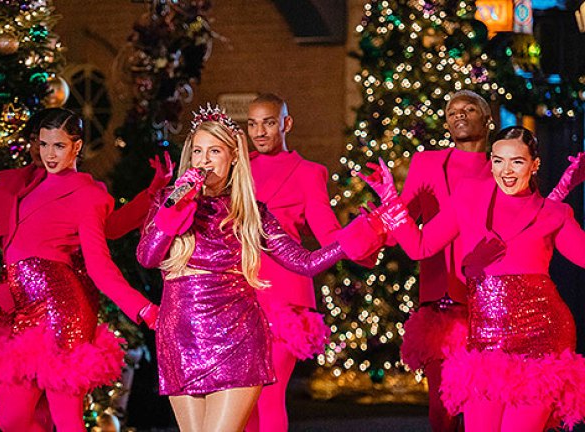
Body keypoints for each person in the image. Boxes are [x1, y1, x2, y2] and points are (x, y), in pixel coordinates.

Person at [0, 108, 159, 432]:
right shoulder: (10, 187)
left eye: (58, 145)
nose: (49, 154)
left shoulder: (87, 195)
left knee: (66, 418)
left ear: (77, 147)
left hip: (64, 310)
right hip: (23, 309)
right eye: (43, 144)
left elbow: (100, 262)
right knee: (12, 418)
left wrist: (143, 308)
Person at [136, 104, 382, 432]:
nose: (203, 160)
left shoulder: (250, 211)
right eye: (197, 151)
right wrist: (174, 209)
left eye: (214, 151)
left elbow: (304, 262)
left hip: (235, 336)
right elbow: (147, 257)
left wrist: (352, 239)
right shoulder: (169, 201)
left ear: (233, 157)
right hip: (180, 337)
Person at [360, 126, 585, 432]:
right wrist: (391, 200)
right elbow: (420, 247)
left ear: (535, 165)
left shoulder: (555, 213)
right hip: (485, 344)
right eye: (498, 160)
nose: (506, 170)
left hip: (541, 341)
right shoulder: (468, 197)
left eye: (517, 161)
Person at [244, 93, 344, 432]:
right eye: (252, 124)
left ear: (286, 124)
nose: (259, 132)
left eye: (268, 123)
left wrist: (361, 237)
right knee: (243, 398)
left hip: (285, 293)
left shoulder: (308, 173)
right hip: (241, 292)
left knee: (269, 394)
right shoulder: (238, 168)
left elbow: (327, 230)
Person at [396, 90, 493, 432]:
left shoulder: (503, 166)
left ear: (488, 120)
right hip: (441, 301)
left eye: (469, 109)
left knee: (486, 404)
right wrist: (375, 222)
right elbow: (403, 219)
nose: (459, 114)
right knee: (442, 408)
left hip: (491, 301)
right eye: (452, 112)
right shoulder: (427, 163)